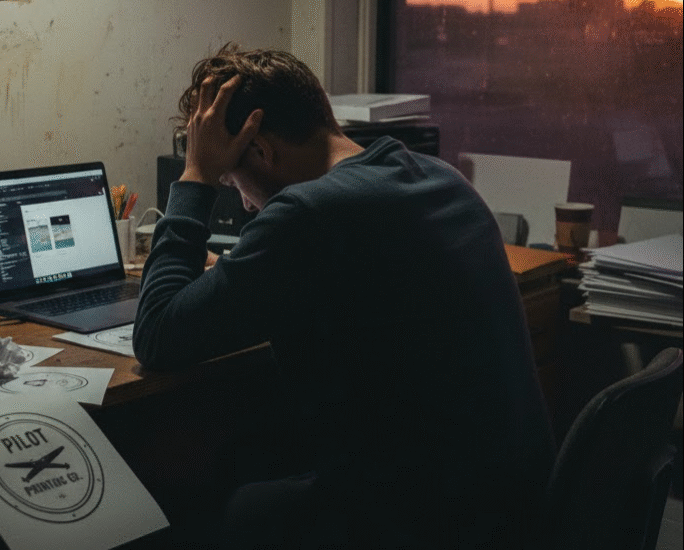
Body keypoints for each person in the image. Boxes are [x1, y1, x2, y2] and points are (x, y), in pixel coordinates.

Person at [133, 43, 555, 548]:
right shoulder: (439, 178)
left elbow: (157, 334)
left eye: (233, 179)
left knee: (206, 505)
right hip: (514, 501)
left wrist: (196, 175)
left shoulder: (307, 215)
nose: (244, 204)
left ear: (261, 150)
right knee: (253, 454)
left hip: (428, 521)